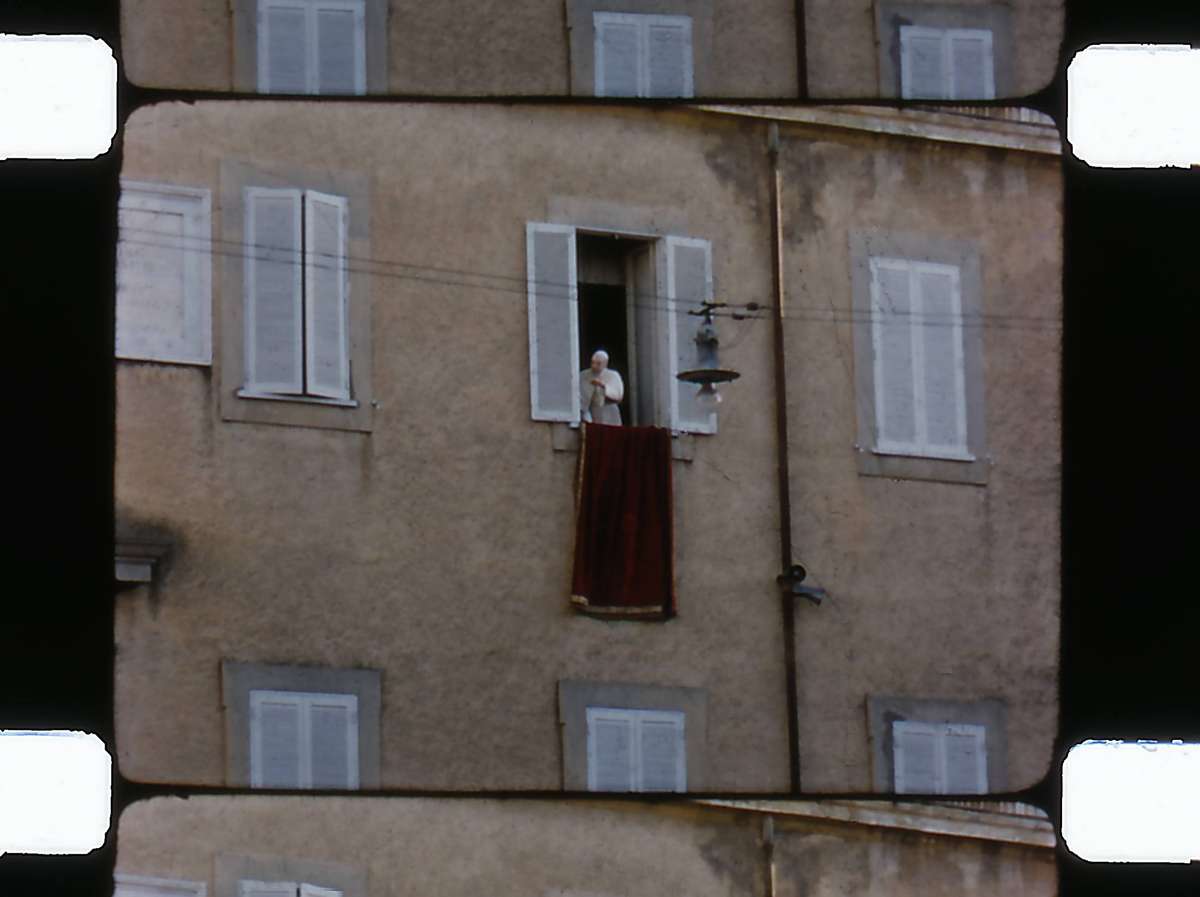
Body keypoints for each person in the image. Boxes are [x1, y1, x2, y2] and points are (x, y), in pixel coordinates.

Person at [580, 349, 624, 425]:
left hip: (609, 412)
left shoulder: (613, 375)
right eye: (592, 362)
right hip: (592, 411)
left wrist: (602, 386)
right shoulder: (583, 375)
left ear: (605, 364)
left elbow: (618, 396)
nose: (594, 366)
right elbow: (581, 396)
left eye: (598, 364)